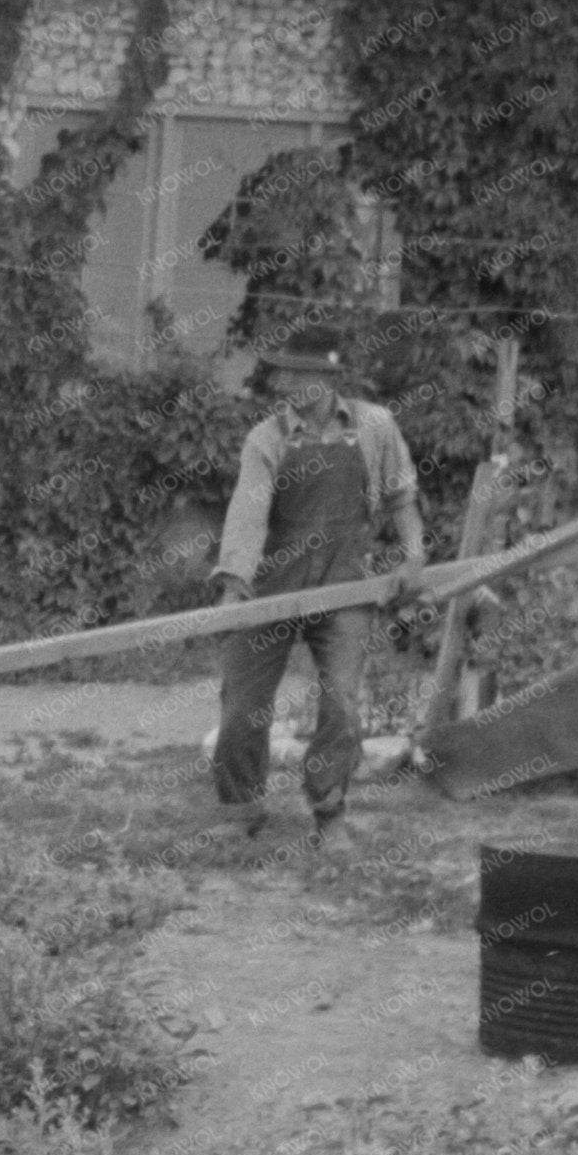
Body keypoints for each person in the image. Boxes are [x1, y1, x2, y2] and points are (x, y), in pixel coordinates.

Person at [209, 321, 426, 851]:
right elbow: (248, 512)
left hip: (346, 583)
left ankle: (329, 812)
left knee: (343, 703)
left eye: (301, 376)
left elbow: (401, 499)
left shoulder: (375, 426)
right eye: (285, 375)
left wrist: (414, 556)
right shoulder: (268, 438)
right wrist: (236, 582)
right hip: (272, 583)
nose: (288, 386)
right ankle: (241, 810)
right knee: (243, 704)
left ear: (329, 380)